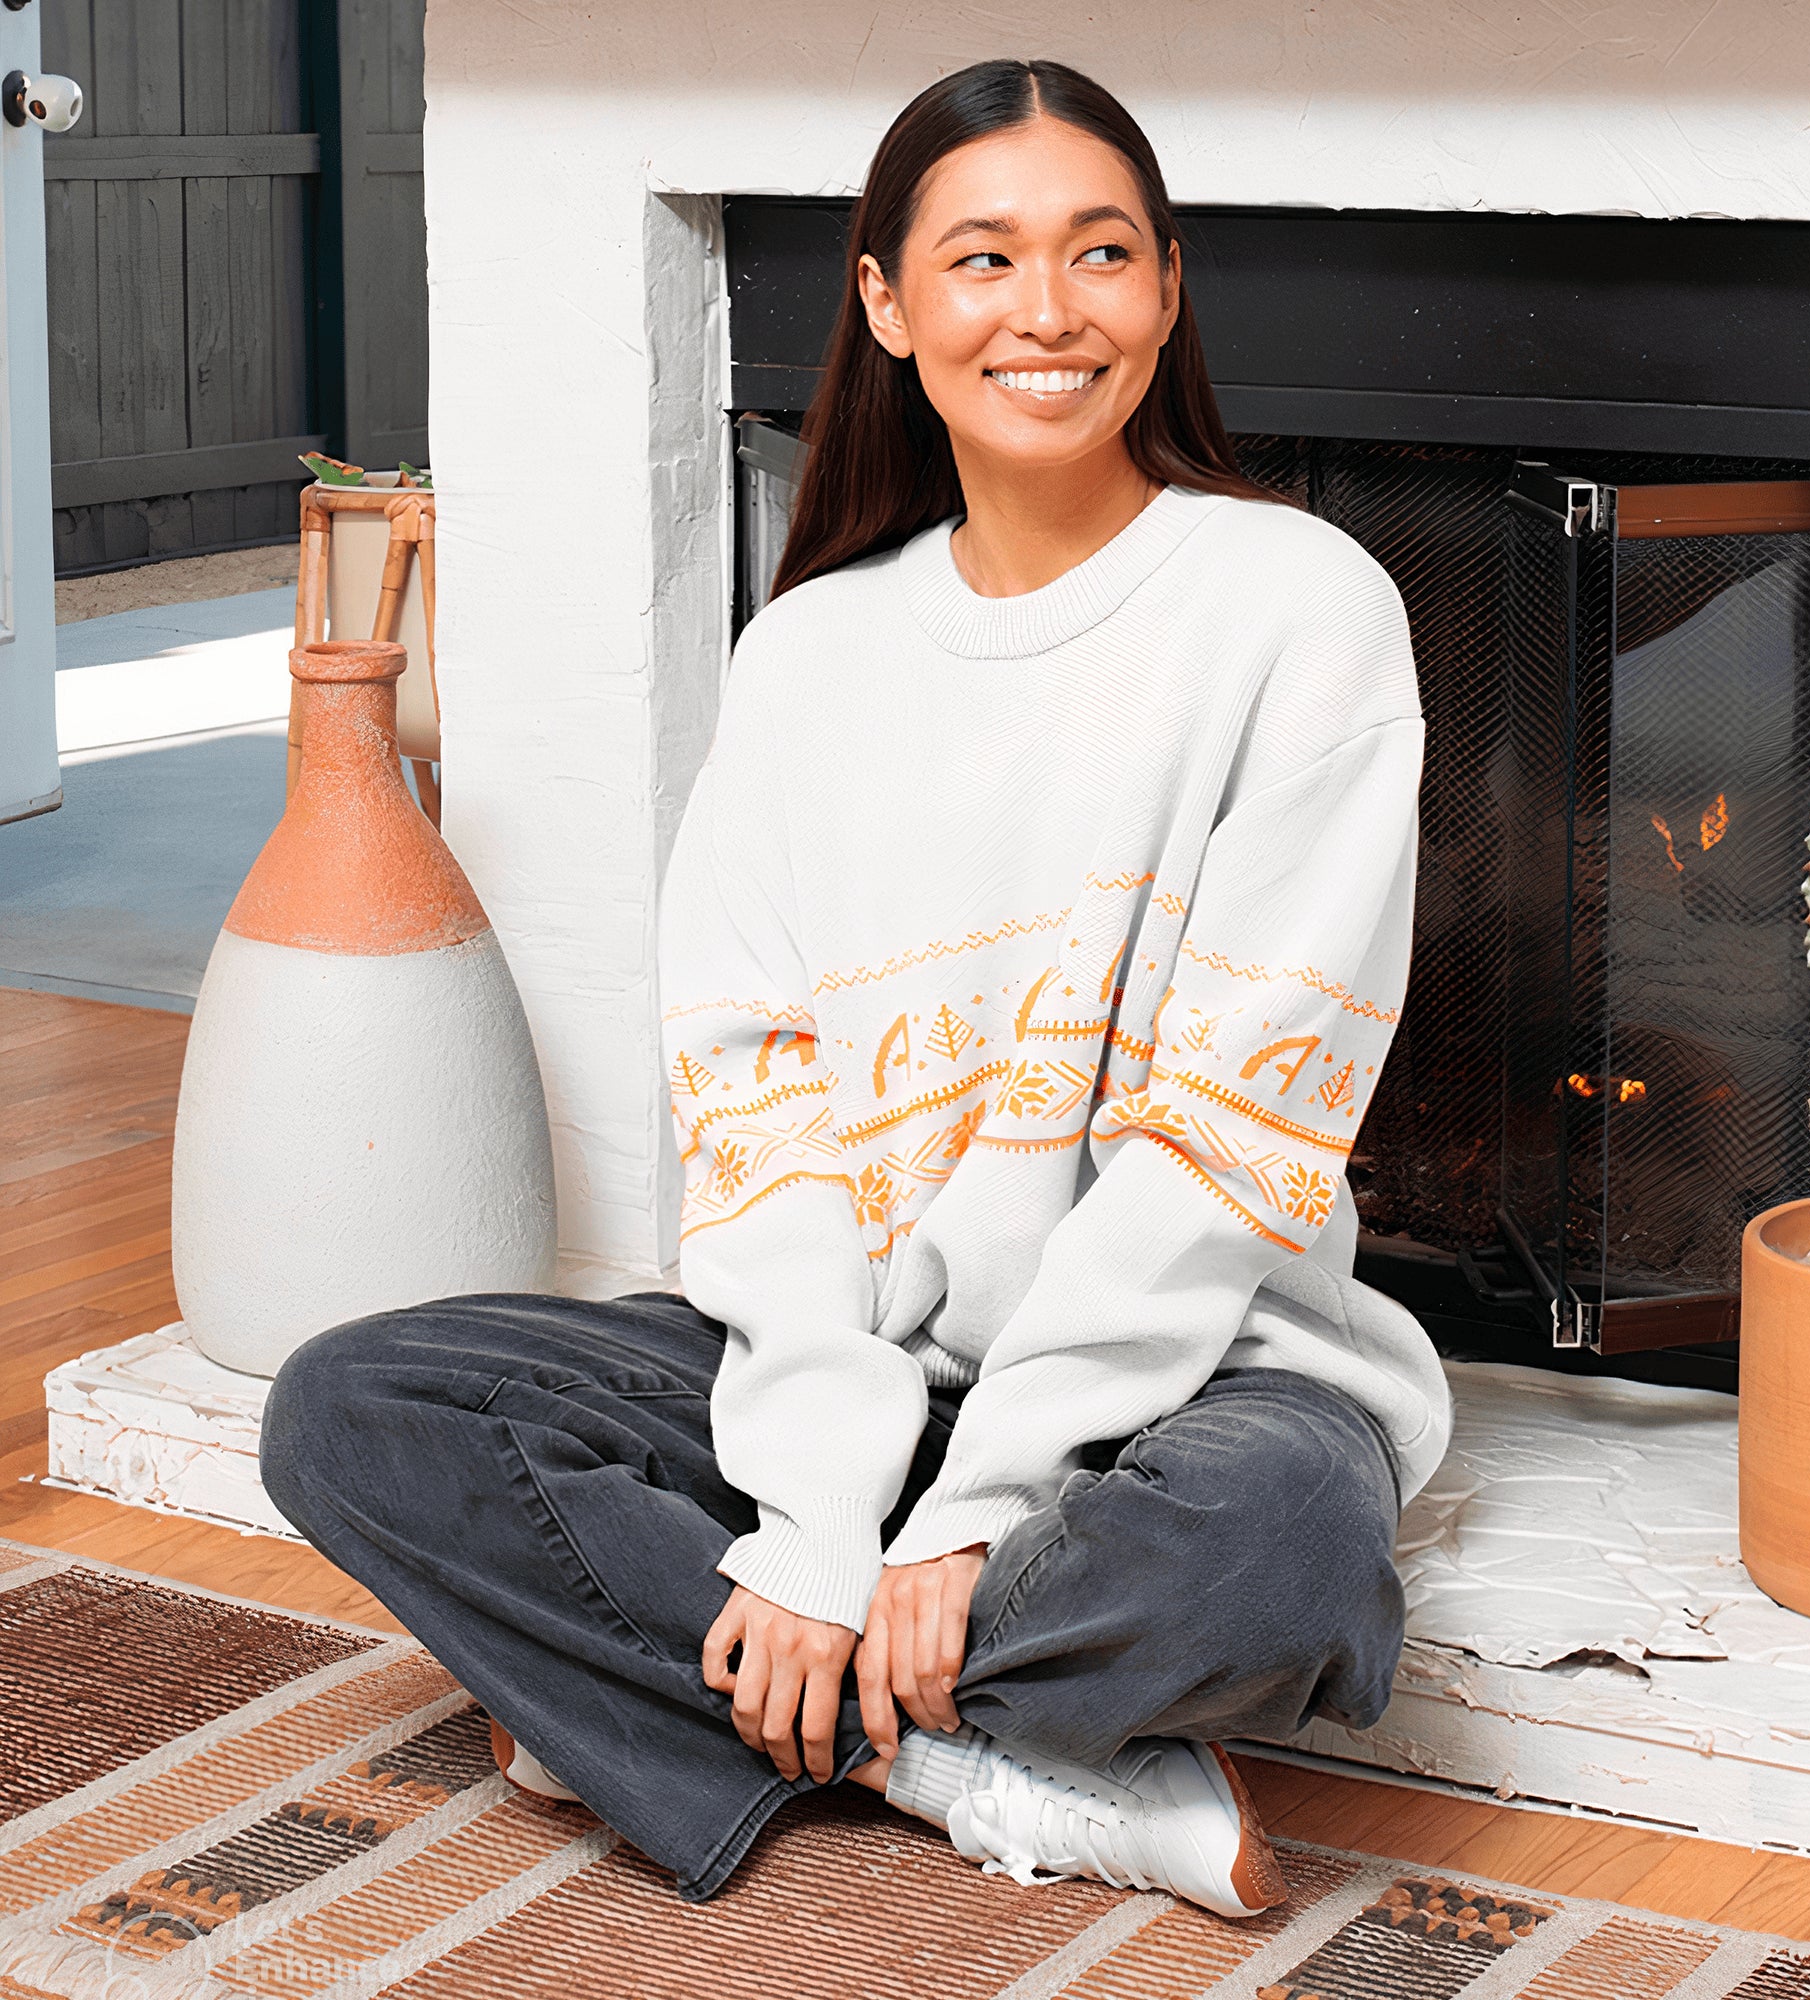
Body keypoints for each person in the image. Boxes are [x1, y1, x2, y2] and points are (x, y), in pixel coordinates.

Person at [261, 56, 1451, 1920]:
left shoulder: (1299, 611)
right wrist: (820, 1515)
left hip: (1197, 1382)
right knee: (350, 1406)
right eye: (981, 258)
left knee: (1283, 1544)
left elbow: (1231, 1146)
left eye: (1101, 254)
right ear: (891, 305)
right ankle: (962, 1760)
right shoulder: (809, 654)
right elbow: (761, 1108)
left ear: (1165, 291)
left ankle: (654, 1691)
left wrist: (973, 1511)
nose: (1045, 311)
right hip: (859, 1373)